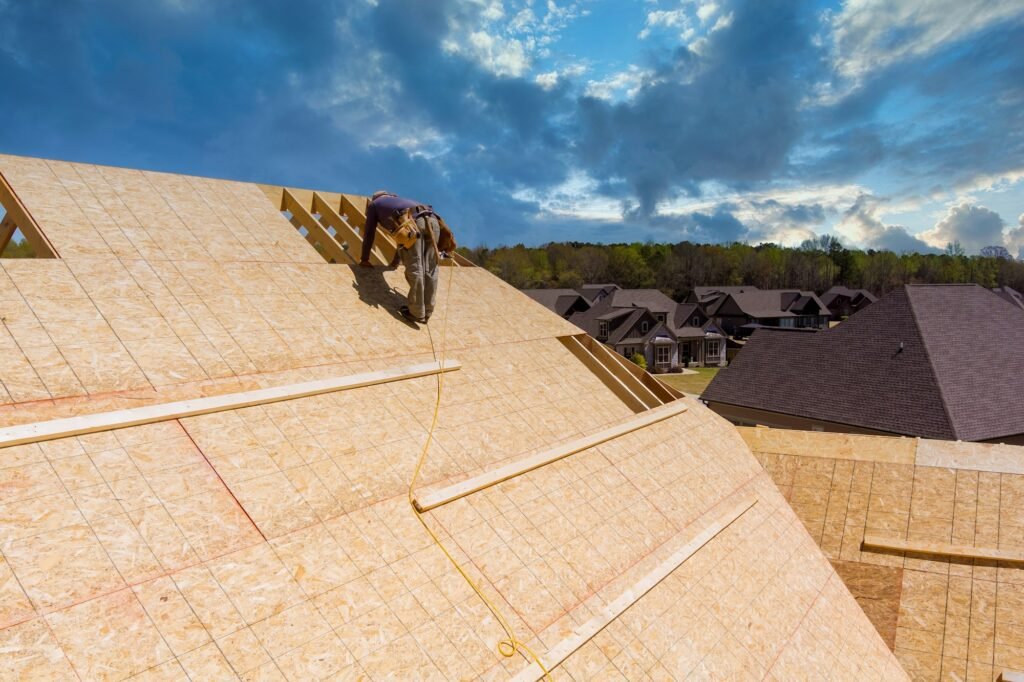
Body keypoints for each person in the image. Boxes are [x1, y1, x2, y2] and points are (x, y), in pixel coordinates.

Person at [359, 190, 440, 324]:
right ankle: (427, 312)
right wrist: (395, 262)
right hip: (434, 221)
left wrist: (364, 259)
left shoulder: (375, 204)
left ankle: (416, 313)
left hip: (412, 223)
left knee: (416, 266)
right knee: (431, 268)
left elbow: (369, 233)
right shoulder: (398, 202)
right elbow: (401, 239)